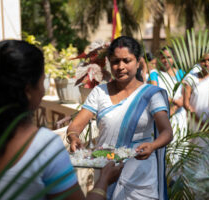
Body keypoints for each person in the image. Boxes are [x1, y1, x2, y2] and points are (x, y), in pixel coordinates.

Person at [0, 40, 123, 200]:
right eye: (42, 80)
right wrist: (103, 181)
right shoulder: (43, 146)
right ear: (28, 89)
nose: (44, 90)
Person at [67, 36, 173, 200]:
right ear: (109, 62)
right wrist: (73, 137)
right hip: (106, 173)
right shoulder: (99, 92)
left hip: (140, 177)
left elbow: (166, 132)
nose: (120, 66)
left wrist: (153, 146)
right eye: (115, 61)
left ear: (138, 62)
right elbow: (75, 126)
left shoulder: (151, 94)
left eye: (127, 60)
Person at [149, 47, 187, 149]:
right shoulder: (154, 74)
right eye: (163, 57)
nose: (166, 60)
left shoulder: (182, 74)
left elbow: (184, 98)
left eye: (169, 57)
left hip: (179, 116)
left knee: (179, 147)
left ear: (174, 58)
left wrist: (174, 108)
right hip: (161, 115)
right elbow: (156, 93)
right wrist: (173, 102)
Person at [184, 52, 209, 126]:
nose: (206, 63)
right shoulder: (191, 78)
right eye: (203, 60)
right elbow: (186, 103)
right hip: (195, 123)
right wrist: (200, 123)